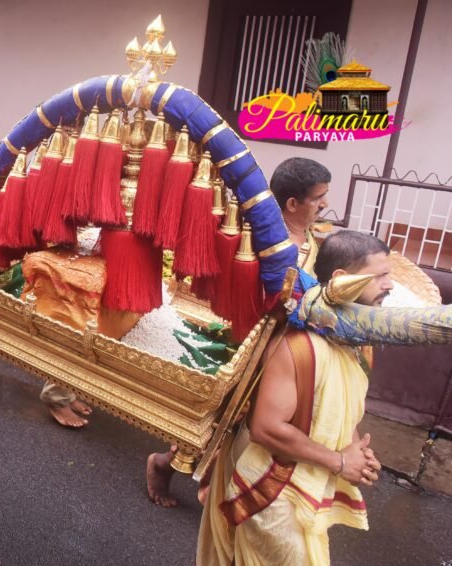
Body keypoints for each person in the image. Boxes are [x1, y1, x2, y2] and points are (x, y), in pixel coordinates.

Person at [147, 157, 333, 508]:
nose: (325, 205)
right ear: (292, 204)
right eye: (319, 198)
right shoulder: (256, 237)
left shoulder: (313, 237)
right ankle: (163, 464)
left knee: (251, 427)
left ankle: (220, 486)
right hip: (247, 344)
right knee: (219, 420)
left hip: (284, 351)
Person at [197, 230, 391, 565]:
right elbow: (266, 429)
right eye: (381, 276)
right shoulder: (297, 346)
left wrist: (355, 450)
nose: (389, 285)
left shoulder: (361, 346)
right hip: (274, 494)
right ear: (342, 280)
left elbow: (341, 409)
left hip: (311, 486)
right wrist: (340, 462)